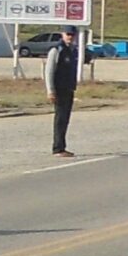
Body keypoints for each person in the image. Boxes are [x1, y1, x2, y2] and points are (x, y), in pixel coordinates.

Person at [45, 25, 82, 158]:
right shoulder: (57, 50)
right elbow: (49, 71)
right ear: (62, 34)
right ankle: (58, 148)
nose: (70, 37)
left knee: (65, 119)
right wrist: (50, 90)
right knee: (60, 119)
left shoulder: (73, 50)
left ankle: (62, 146)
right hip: (59, 89)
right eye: (68, 34)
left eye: (72, 35)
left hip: (69, 88)